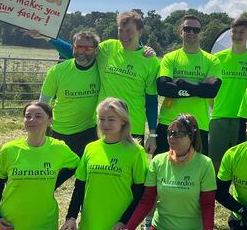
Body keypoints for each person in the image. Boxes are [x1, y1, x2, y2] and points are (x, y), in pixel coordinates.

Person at [25, 10, 160, 153]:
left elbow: (152, 100)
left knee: (129, 165)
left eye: (129, 31)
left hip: (132, 125)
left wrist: (152, 134)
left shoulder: (150, 61)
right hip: (103, 124)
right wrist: (47, 37)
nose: (124, 35)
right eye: (121, 30)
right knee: (99, 164)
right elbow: (80, 53)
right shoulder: (109, 48)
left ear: (140, 32)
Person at [0, 101, 79, 230]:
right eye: (28, 116)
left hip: (43, 225)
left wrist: (54, 182)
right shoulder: (10, 149)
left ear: (50, 121)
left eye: (38, 116)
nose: (31, 120)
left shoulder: (59, 148)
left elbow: (77, 166)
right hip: (11, 225)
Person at [116, 114, 217, 230]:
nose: (172, 137)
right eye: (170, 132)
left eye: (178, 133)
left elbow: (207, 204)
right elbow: (147, 200)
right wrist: (129, 229)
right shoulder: (158, 161)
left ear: (191, 136)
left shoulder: (205, 164)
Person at [58, 98, 148, 230]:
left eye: (111, 119)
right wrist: (71, 217)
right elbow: (79, 188)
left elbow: (139, 194)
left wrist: (125, 222)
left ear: (123, 121)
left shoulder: (136, 151)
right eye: (101, 119)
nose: (105, 124)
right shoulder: (90, 148)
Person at [156, 15, 221, 155]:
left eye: (195, 30)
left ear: (200, 33)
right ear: (181, 32)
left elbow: (211, 91)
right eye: (187, 29)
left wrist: (181, 83)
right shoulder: (169, 58)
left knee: (197, 168)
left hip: (198, 124)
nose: (191, 32)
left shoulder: (212, 60)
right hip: (169, 122)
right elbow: (163, 88)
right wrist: (199, 87)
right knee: (163, 166)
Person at [209, 16, 247, 170]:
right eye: (234, 31)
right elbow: (210, 91)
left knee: (242, 164)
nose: (238, 35)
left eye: (242, 32)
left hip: (245, 120)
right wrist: (216, 107)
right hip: (220, 118)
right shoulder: (217, 58)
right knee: (216, 163)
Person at [39, 30, 101, 157]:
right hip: (59, 131)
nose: (81, 51)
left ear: (96, 50)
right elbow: (43, 103)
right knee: (58, 168)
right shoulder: (57, 71)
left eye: (87, 48)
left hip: (89, 132)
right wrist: (43, 127)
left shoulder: (102, 70)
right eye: (78, 47)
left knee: (84, 168)